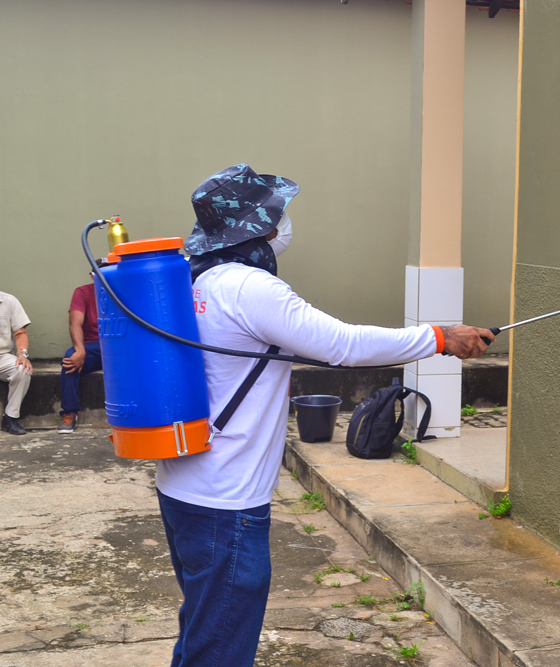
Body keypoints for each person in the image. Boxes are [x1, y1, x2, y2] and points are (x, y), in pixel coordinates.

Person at [156, 164, 494, 667]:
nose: (285, 222)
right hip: (227, 497)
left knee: (203, 628)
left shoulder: (192, 275)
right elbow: (343, 344)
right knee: (221, 645)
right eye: (278, 213)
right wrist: (440, 338)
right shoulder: (250, 288)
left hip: (180, 484)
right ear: (258, 225)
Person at [58, 261, 108, 434]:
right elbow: (75, 323)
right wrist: (80, 350)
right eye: (100, 275)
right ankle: (69, 412)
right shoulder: (83, 292)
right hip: (94, 348)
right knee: (70, 358)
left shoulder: (124, 292)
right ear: (92, 276)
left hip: (120, 347)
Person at [0, 291, 32, 435]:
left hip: (2, 356)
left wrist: (22, 354)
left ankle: (10, 417)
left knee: (22, 369)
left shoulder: (8, 301)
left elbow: (20, 333)